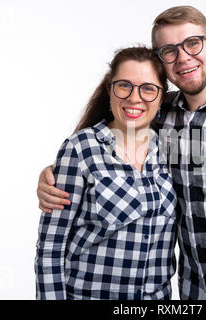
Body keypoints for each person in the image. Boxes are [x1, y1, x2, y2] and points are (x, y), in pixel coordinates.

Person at [37, 6, 206, 300]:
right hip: (194, 292)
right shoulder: (164, 112)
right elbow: (115, 135)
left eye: (192, 43)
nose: (183, 57)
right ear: (163, 64)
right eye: (169, 51)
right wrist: (57, 174)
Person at [35, 46, 177, 300]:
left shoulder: (173, 150)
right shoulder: (80, 148)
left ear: (161, 96)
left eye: (147, 88)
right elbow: (51, 247)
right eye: (124, 85)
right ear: (110, 89)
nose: (135, 98)